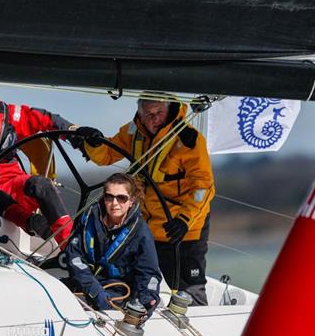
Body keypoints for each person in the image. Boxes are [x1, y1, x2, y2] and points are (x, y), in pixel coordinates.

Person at [72, 97, 214, 306]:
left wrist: (184, 219)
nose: (153, 119)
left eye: (158, 113)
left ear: (169, 110)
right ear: (140, 112)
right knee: (139, 283)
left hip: (181, 229)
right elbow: (106, 155)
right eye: (148, 114)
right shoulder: (132, 132)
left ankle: (192, 319)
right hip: (145, 228)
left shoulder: (189, 140)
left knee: (187, 292)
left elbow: (203, 186)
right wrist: (93, 143)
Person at [0, 81, 74, 247]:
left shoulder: (10, 115)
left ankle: (70, 247)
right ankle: (31, 222)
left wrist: (73, 131)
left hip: (10, 180)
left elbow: (45, 119)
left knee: (41, 185)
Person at [65, 173, 161, 313]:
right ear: (104, 199)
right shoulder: (89, 219)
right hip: (84, 283)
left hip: (117, 292)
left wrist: (147, 300)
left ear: (131, 201)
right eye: (109, 197)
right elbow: (74, 257)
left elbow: (149, 272)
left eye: (121, 198)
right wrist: (95, 291)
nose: (114, 203)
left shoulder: (141, 232)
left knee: (73, 307)